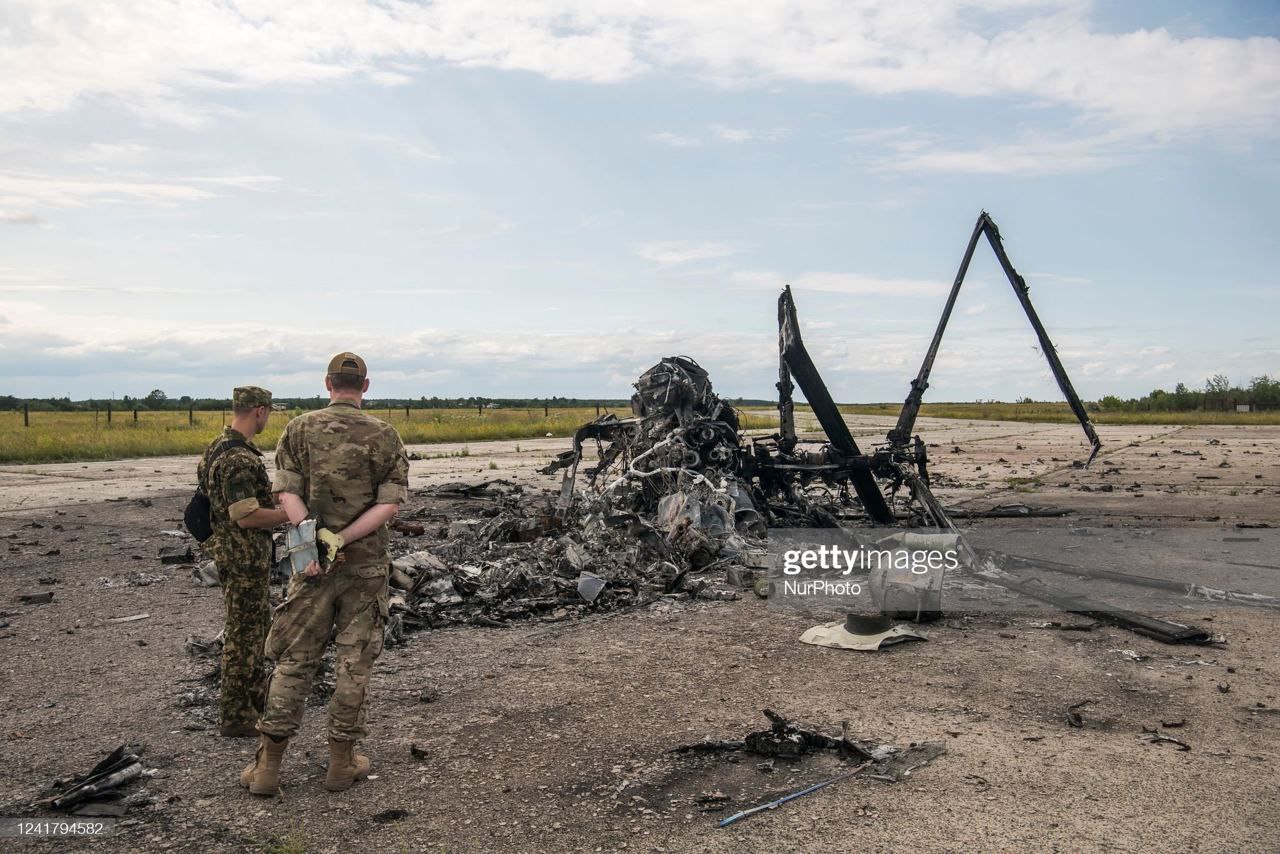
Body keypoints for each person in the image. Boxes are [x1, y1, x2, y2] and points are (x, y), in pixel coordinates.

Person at [240, 352, 409, 796]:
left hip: (310, 564)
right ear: (365, 386)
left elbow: (286, 494)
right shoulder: (385, 435)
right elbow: (389, 504)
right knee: (354, 663)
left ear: (328, 383)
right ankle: (341, 761)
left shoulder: (299, 429)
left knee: (295, 660)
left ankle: (267, 767)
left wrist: (312, 539)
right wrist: (343, 538)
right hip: (365, 566)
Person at [196, 386, 289, 738]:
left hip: (232, 553)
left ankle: (252, 704)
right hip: (243, 557)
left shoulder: (217, 447)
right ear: (260, 411)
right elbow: (246, 515)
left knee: (252, 629)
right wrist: (289, 514)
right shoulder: (238, 458)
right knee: (244, 636)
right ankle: (237, 716)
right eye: (269, 412)